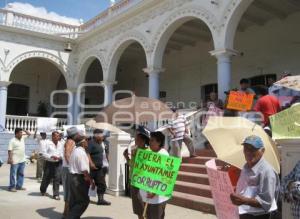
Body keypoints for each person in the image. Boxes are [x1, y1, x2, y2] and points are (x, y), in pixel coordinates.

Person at [230, 135, 279, 219]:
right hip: (244, 213)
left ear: (262, 151)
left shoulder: (267, 171)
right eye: (246, 149)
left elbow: (266, 202)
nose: (248, 152)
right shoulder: (246, 167)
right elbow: (244, 190)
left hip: (260, 216)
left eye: (252, 149)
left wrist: (244, 200)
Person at [140, 131, 170, 219]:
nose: (149, 142)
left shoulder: (163, 155)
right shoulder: (151, 153)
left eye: (152, 140)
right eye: (150, 140)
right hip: (148, 194)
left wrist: (155, 192)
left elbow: (165, 176)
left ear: (159, 142)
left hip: (157, 196)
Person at [123, 126, 150, 219]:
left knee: (143, 206)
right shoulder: (135, 150)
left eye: (137, 138)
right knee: (138, 207)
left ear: (143, 141)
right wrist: (127, 157)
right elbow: (132, 165)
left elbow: (147, 169)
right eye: (136, 137)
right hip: (133, 181)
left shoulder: (148, 152)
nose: (135, 139)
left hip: (142, 182)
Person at [68, 138, 95, 219]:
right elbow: (84, 170)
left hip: (73, 177)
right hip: (79, 179)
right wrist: (91, 181)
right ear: (83, 142)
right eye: (86, 140)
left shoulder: (75, 151)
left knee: (74, 200)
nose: (88, 142)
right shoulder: (81, 152)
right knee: (83, 201)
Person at [62, 127, 82, 218]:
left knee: (70, 191)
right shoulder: (70, 142)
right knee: (69, 192)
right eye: (78, 133)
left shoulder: (71, 141)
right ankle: (66, 214)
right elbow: (67, 155)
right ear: (75, 135)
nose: (79, 135)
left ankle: (67, 213)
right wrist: (72, 166)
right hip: (68, 169)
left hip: (67, 169)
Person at [87, 129, 111, 205]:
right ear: (96, 135)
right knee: (87, 184)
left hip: (99, 168)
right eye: (101, 135)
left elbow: (105, 154)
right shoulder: (91, 143)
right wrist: (91, 163)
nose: (102, 136)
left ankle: (100, 200)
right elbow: (87, 153)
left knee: (102, 184)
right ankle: (85, 198)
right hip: (91, 168)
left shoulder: (100, 143)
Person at [40, 131, 63, 200]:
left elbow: (62, 152)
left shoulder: (60, 144)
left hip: (58, 163)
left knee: (57, 178)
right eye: (56, 136)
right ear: (52, 136)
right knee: (46, 178)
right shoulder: (47, 143)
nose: (58, 137)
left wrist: (60, 157)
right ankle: (43, 190)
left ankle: (56, 194)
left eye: (58, 136)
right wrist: (51, 156)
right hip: (49, 163)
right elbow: (43, 153)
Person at [7, 128, 31, 192]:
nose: (22, 134)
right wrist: (10, 159)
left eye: (22, 132)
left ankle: (19, 186)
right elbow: (10, 150)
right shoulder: (12, 140)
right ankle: (12, 187)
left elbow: (29, 134)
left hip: (22, 160)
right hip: (15, 160)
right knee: (13, 174)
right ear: (16, 133)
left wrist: (24, 130)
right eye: (20, 132)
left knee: (21, 174)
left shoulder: (22, 138)